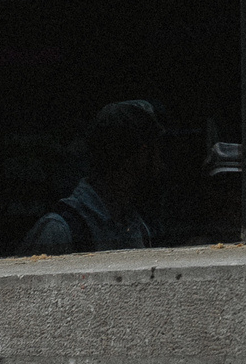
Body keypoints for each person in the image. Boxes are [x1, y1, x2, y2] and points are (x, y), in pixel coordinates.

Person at [24, 99, 166, 253]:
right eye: (155, 152)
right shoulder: (60, 230)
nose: (160, 166)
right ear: (141, 155)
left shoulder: (135, 226)